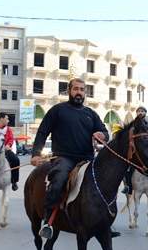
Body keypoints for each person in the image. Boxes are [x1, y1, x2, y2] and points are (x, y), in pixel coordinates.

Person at [31, 78, 109, 240]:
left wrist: (102, 135)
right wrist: (36, 154)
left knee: (104, 184)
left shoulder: (91, 114)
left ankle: (104, 221)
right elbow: (42, 132)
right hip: (64, 158)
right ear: (69, 91)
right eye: (76, 89)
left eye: (82, 89)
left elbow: (104, 132)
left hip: (87, 160)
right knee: (58, 180)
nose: (79, 92)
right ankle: (47, 220)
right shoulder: (58, 110)